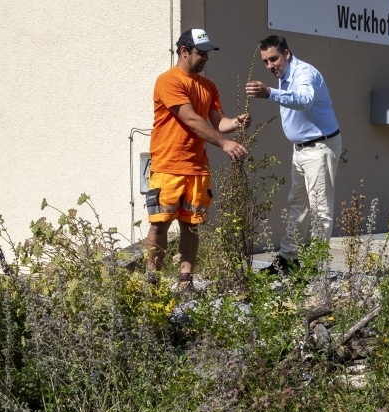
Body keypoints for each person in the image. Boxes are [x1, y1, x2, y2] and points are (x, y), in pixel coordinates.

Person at [146, 28, 251, 287]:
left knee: (191, 226)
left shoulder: (209, 86)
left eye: (207, 54)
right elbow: (191, 118)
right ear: (184, 51)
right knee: (160, 224)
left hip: (197, 168)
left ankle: (185, 280)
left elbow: (218, 122)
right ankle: (152, 282)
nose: (206, 58)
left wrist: (236, 122)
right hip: (168, 166)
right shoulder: (168, 80)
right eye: (200, 53)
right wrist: (224, 144)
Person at [245, 35, 342, 274]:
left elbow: (305, 100)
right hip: (301, 150)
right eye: (266, 62)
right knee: (297, 205)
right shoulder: (284, 75)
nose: (270, 66)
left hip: (319, 147)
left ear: (287, 54)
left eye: (274, 59)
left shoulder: (304, 73)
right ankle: (289, 259)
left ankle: (314, 267)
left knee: (320, 209)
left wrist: (269, 93)